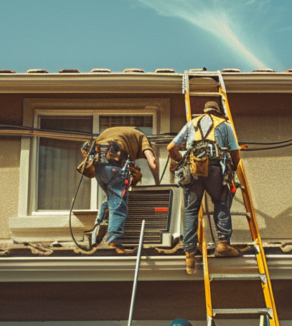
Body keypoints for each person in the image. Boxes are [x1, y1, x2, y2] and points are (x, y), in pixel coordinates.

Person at [167, 101, 241, 274]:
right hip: (215, 169)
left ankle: (189, 253)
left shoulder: (191, 124)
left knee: (191, 209)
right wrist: (233, 168)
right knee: (221, 201)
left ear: (204, 111)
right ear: (218, 112)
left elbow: (171, 147)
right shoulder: (225, 125)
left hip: (194, 170)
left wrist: (181, 160)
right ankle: (223, 244)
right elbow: (235, 152)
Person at [92, 127, 160, 252]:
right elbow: (152, 161)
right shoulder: (141, 136)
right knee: (118, 203)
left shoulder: (113, 132)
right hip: (115, 165)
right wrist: (158, 184)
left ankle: (96, 234)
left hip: (98, 168)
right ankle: (113, 240)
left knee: (111, 199)